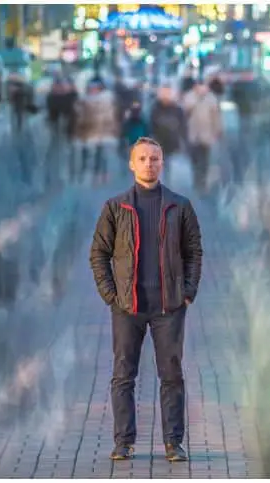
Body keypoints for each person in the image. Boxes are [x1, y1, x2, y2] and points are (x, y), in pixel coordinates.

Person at [89, 137, 203, 462]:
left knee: (171, 375)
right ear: (131, 163)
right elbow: (99, 253)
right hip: (128, 307)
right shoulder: (115, 207)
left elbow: (194, 251)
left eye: (154, 158)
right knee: (124, 375)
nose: (149, 164)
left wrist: (188, 292)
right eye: (143, 158)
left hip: (169, 306)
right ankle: (123, 442)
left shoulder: (180, 206)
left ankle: (173, 444)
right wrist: (111, 295)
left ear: (162, 163)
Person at [182, 80, 222, 194]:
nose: (202, 89)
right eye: (200, 86)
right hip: (193, 135)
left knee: (205, 161)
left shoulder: (211, 99)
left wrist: (217, 130)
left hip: (206, 135)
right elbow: (184, 113)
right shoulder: (189, 97)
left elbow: (216, 116)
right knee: (194, 160)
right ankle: (196, 181)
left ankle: (202, 183)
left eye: (204, 87)